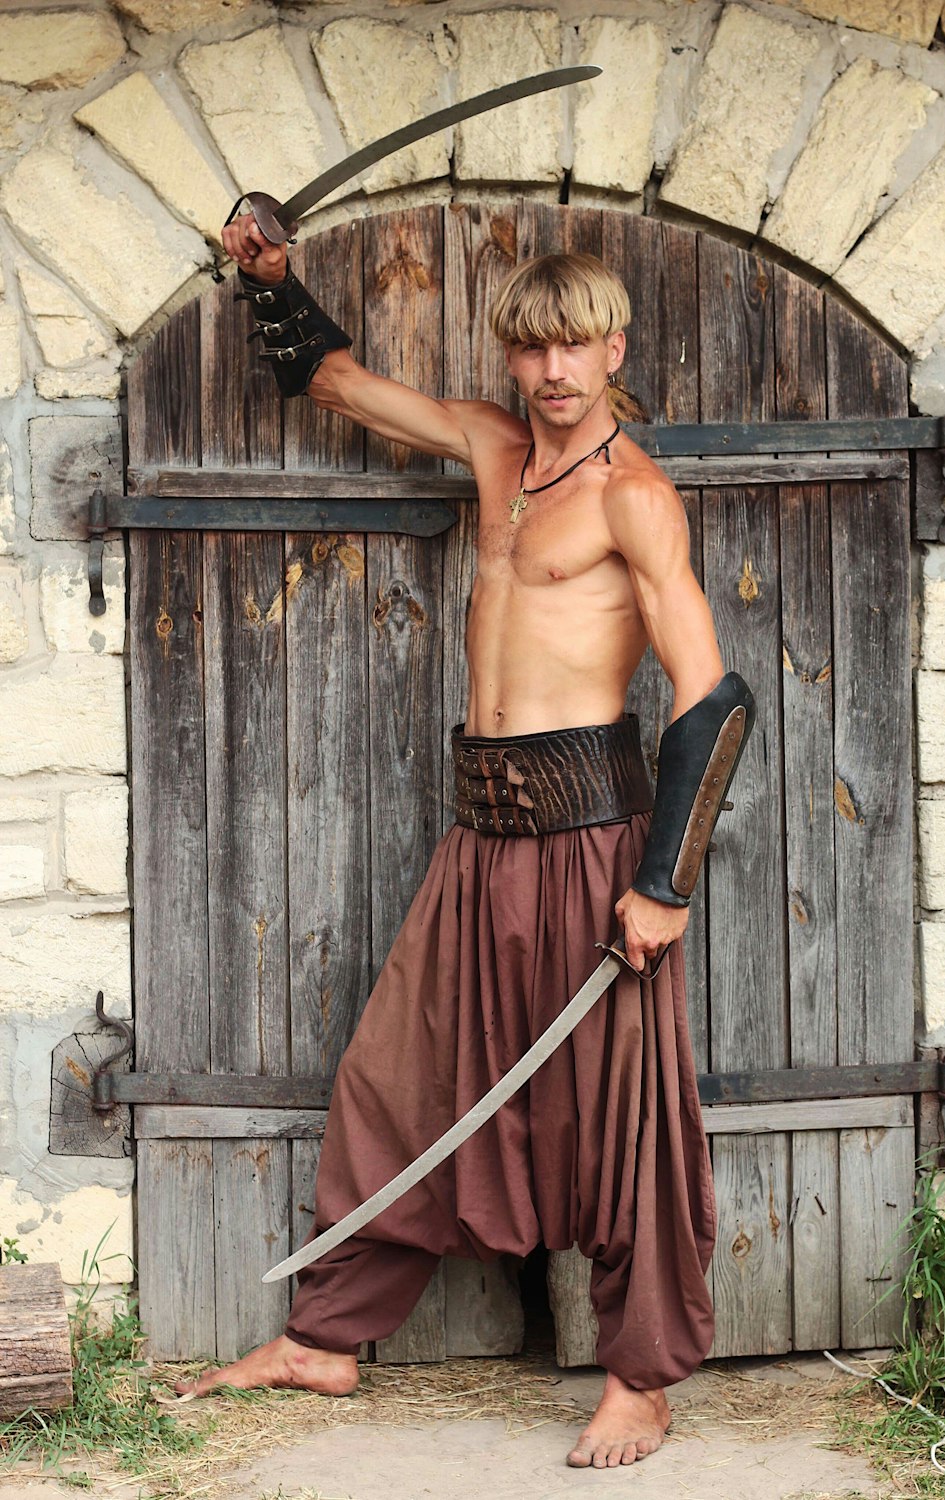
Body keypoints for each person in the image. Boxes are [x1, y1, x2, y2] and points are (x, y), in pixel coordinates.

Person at [177, 212, 755, 1471]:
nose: (551, 374)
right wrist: (274, 282)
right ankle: (329, 1337)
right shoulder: (496, 449)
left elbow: (713, 702)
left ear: (612, 348)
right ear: (513, 357)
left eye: (574, 349)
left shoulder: (632, 496)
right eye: (531, 350)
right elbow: (332, 380)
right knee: (397, 1079)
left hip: (593, 840)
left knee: (621, 1115)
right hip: (481, 834)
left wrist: (660, 885)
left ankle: (641, 1380)